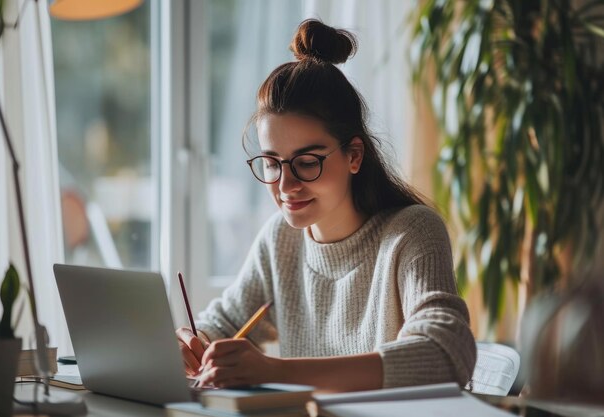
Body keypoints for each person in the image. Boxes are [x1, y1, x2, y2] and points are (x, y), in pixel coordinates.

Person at [176, 18, 476, 393]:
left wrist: (275, 371)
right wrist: (193, 344)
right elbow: (224, 321)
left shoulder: (411, 233)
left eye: (307, 161)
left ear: (354, 155)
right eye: (272, 162)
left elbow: (446, 355)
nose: (286, 185)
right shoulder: (281, 240)